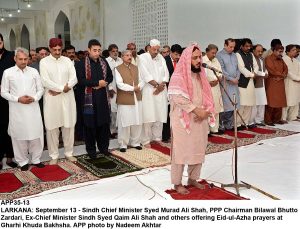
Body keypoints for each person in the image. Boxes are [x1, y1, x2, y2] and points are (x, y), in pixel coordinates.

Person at [168, 44, 214, 195]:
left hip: (199, 118)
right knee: (180, 152)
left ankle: (193, 178)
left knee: (198, 148)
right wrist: (195, 110)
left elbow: (206, 95)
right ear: (187, 59)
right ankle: (177, 183)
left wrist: (205, 111)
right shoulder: (178, 75)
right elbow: (177, 97)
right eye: (195, 58)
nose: (199, 60)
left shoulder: (201, 74)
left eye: (200, 57)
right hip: (182, 119)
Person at [1, 47, 45, 171]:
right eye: (20, 59)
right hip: (17, 109)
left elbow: (40, 89)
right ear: (15, 58)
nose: (23, 61)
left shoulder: (33, 72)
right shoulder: (8, 73)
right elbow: (3, 92)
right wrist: (18, 99)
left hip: (33, 108)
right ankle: (23, 161)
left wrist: (35, 97)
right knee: (19, 137)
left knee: (36, 135)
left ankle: (36, 159)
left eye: (26, 59)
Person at [40, 38, 78, 164]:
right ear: (50, 48)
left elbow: (74, 79)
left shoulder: (67, 61)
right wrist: (62, 88)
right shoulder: (44, 62)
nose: (57, 52)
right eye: (54, 49)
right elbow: (45, 81)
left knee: (68, 126)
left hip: (67, 98)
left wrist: (61, 89)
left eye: (59, 49)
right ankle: (54, 155)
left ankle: (69, 153)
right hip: (52, 99)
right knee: (52, 128)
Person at [76, 39, 113, 158]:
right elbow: (81, 80)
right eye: (94, 50)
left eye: (99, 50)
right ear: (89, 50)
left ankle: (104, 148)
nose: (97, 53)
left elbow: (110, 76)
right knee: (90, 126)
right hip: (89, 100)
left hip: (102, 98)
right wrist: (96, 83)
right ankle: (91, 151)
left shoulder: (104, 62)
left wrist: (104, 83)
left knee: (103, 124)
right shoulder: (81, 63)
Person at [138, 39, 169, 146]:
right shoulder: (142, 58)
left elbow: (166, 73)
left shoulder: (161, 57)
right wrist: (156, 85)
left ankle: (157, 137)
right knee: (148, 115)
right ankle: (146, 140)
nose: (156, 51)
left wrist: (161, 85)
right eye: (154, 49)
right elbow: (144, 74)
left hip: (161, 90)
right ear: (149, 48)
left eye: (157, 49)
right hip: (148, 89)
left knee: (160, 114)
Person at [115, 50, 144, 152]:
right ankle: (123, 144)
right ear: (122, 57)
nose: (129, 57)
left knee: (137, 120)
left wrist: (138, 87)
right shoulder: (118, 69)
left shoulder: (136, 68)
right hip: (125, 98)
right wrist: (133, 88)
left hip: (137, 98)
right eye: (127, 55)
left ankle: (135, 142)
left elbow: (142, 80)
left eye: (130, 55)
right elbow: (119, 84)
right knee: (125, 122)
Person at [0, 33, 18, 170]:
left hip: (9, 99)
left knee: (9, 128)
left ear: (3, 41)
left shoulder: (11, 55)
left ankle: (11, 157)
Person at [216, 38, 240, 131]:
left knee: (233, 104)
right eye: (230, 47)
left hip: (235, 83)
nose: (232, 49)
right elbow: (221, 70)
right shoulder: (219, 55)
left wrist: (237, 77)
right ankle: (222, 125)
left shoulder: (234, 55)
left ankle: (229, 125)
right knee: (225, 105)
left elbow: (237, 68)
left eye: (233, 47)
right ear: (225, 45)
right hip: (226, 83)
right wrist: (231, 79)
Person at [236, 38, 258, 129]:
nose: (248, 48)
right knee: (242, 104)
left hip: (251, 81)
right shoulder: (237, 54)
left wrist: (254, 73)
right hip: (242, 82)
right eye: (246, 46)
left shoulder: (251, 54)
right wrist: (251, 74)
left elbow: (255, 66)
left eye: (250, 46)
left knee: (249, 103)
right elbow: (241, 68)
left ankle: (245, 122)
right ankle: (237, 123)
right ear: (241, 46)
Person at [162, 44, 182, 142]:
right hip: (167, 90)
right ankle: (165, 136)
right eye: (176, 54)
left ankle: (175, 133)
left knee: (176, 113)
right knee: (167, 113)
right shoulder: (164, 60)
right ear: (171, 53)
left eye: (179, 55)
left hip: (177, 91)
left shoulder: (180, 61)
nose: (178, 57)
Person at [202, 44, 224, 134]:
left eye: (215, 53)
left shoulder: (216, 60)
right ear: (207, 51)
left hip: (216, 86)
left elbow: (220, 72)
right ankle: (206, 130)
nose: (214, 55)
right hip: (206, 87)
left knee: (216, 108)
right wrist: (208, 83)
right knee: (207, 108)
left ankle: (214, 129)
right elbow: (201, 75)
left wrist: (218, 79)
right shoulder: (203, 60)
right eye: (212, 53)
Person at [264, 45, 288, 125]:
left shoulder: (281, 59)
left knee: (280, 102)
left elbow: (286, 68)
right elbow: (271, 70)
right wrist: (282, 75)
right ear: (274, 51)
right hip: (272, 82)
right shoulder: (268, 59)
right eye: (279, 51)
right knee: (271, 102)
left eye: (282, 51)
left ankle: (277, 119)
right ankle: (268, 120)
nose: (281, 53)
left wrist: (283, 74)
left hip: (280, 82)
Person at [106, 44, 123, 138]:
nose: (115, 52)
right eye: (113, 51)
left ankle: (119, 129)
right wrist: (110, 88)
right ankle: (112, 130)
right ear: (109, 52)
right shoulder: (106, 61)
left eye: (116, 50)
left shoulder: (121, 60)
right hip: (112, 89)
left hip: (121, 89)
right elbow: (105, 76)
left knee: (120, 110)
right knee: (113, 110)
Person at [250, 44, 268, 126]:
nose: (260, 53)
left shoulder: (262, 59)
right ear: (253, 50)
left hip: (262, 83)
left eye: (261, 51)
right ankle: (252, 120)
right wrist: (264, 74)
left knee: (262, 102)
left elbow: (265, 70)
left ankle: (260, 119)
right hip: (254, 84)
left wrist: (266, 73)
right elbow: (254, 71)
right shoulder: (251, 58)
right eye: (258, 51)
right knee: (255, 103)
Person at [282, 45, 300, 121]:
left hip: (297, 83)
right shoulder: (284, 59)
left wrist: (299, 79)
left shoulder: (297, 61)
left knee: (296, 100)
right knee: (287, 100)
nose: (295, 51)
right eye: (293, 50)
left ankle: (293, 117)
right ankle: (283, 118)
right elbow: (288, 72)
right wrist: (297, 78)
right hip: (288, 82)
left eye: (295, 50)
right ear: (288, 51)